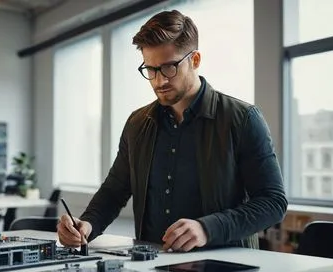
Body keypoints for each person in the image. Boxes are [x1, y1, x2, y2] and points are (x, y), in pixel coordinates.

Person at [57, 9, 288, 252]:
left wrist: (207, 228)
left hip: (227, 266)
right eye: (151, 70)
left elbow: (272, 202)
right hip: (154, 266)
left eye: (169, 67)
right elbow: (114, 191)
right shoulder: (137, 124)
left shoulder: (242, 119)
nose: (159, 81)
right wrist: (87, 224)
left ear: (195, 60)